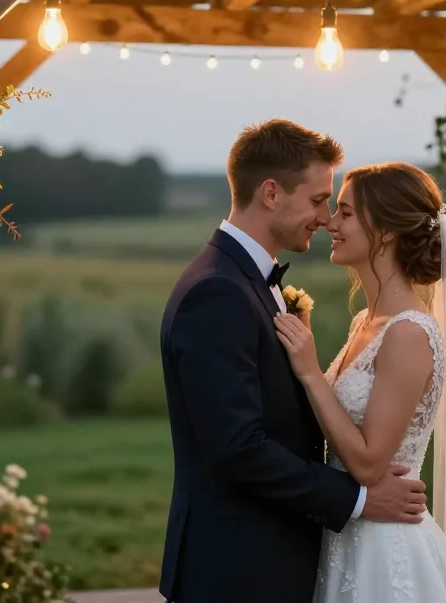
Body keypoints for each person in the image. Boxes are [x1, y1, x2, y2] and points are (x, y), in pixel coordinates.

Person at [159, 121, 428, 603]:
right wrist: (359, 500)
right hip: (236, 573)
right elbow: (238, 448)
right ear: (270, 193)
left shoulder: (245, 282)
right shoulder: (218, 292)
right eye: (319, 200)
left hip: (275, 562)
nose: (325, 219)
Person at [274, 162, 446, 603]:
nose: (330, 224)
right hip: (346, 534)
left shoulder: (409, 332)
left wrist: (308, 370)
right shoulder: (366, 321)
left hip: (385, 549)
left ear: (387, 231)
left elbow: (368, 464)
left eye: (345, 213)